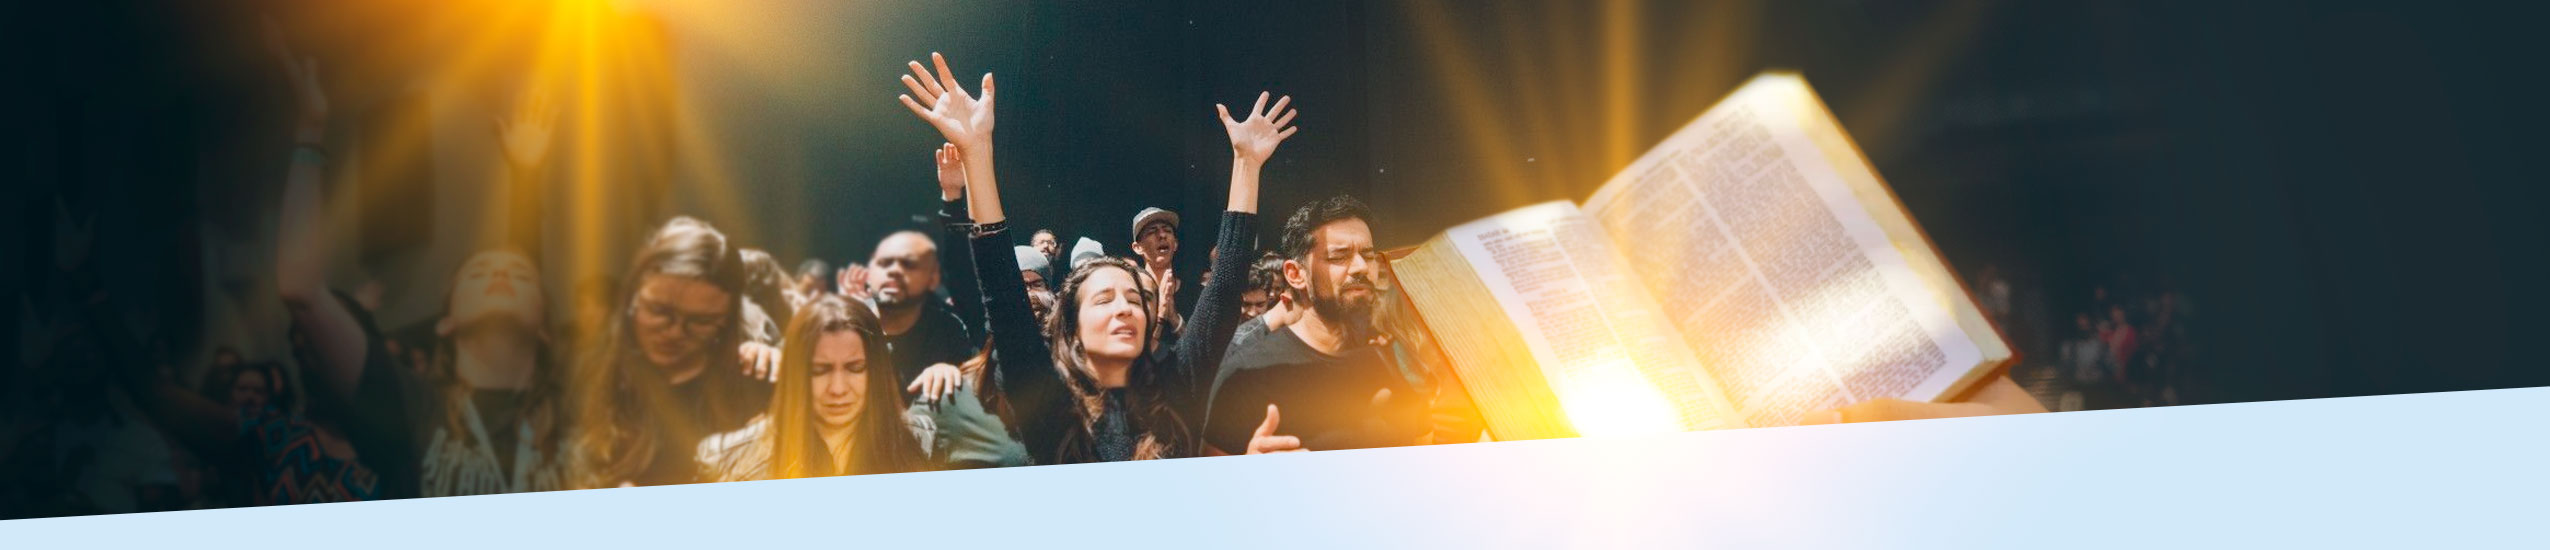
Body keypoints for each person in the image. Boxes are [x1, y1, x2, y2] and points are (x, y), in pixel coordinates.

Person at [897, 52, 1279, 462]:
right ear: (1072, 325)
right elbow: (1001, 287)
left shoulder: (1178, 386)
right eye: (1104, 299)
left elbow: (1225, 287)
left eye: (1134, 300)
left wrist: (1246, 164)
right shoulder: (1046, 399)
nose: (1125, 309)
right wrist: (975, 152)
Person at [1206, 195, 1431, 455]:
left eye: (1368, 255)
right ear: (1295, 275)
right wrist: (1252, 467)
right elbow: (1210, 475)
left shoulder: (1390, 360)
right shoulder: (1248, 374)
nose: (1361, 267)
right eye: (1339, 257)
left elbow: (1423, 449)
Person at [568, 216, 769, 488]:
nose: (675, 332)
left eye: (701, 321)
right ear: (633, 297)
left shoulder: (752, 385)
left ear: (727, 321)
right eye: (660, 311)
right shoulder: (590, 372)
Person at [698, 296, 931, 481]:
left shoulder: (921, 440)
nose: (837, 389)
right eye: (820, 370)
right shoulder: (725, 460)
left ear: (876, 371)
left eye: (855, 368)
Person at [861, 229, 978, 393]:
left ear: (933, 279)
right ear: (868, 275)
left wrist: (950, 371)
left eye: (909, 264)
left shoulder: (948, 331)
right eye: (884, 263)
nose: (894, 270)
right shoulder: (845, 323)